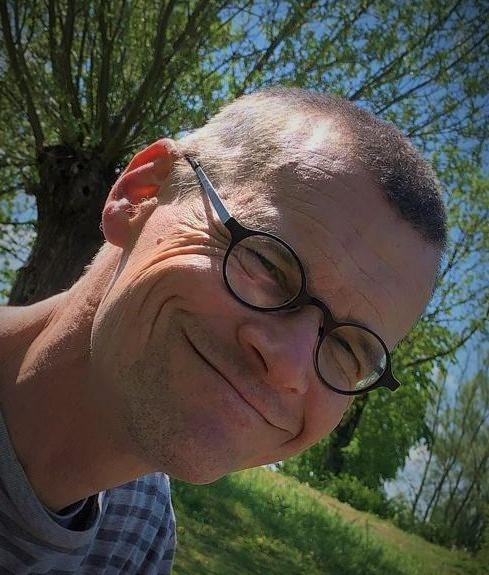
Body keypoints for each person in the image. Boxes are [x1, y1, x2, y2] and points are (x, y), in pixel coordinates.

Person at [0, 86, 446, 573]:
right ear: (140, 195)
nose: (288, 366)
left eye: (348, 350)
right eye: (268, 264)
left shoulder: (142, 532)